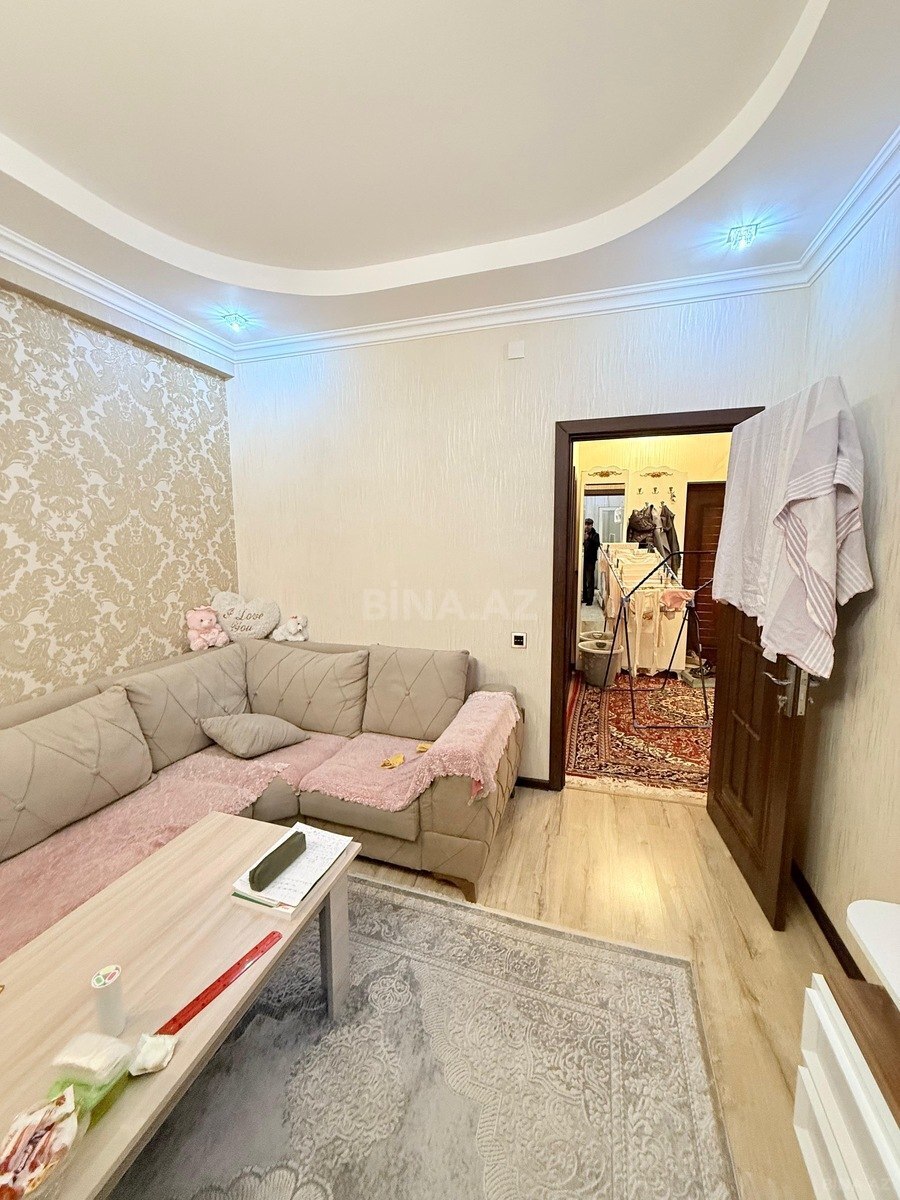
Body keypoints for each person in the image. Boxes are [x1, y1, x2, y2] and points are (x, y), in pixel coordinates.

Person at [583, 518, 600, 605]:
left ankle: (590, 600)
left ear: (592, 525)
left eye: (589, 525)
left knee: (590, 580)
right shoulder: (582, 534)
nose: (587, 526)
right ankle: (585, 598)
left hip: (591, 560)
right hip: (583, 559)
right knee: (584, 580)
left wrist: (588, 539)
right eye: (586, 524)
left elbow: (597, 545)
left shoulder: (595, 535)